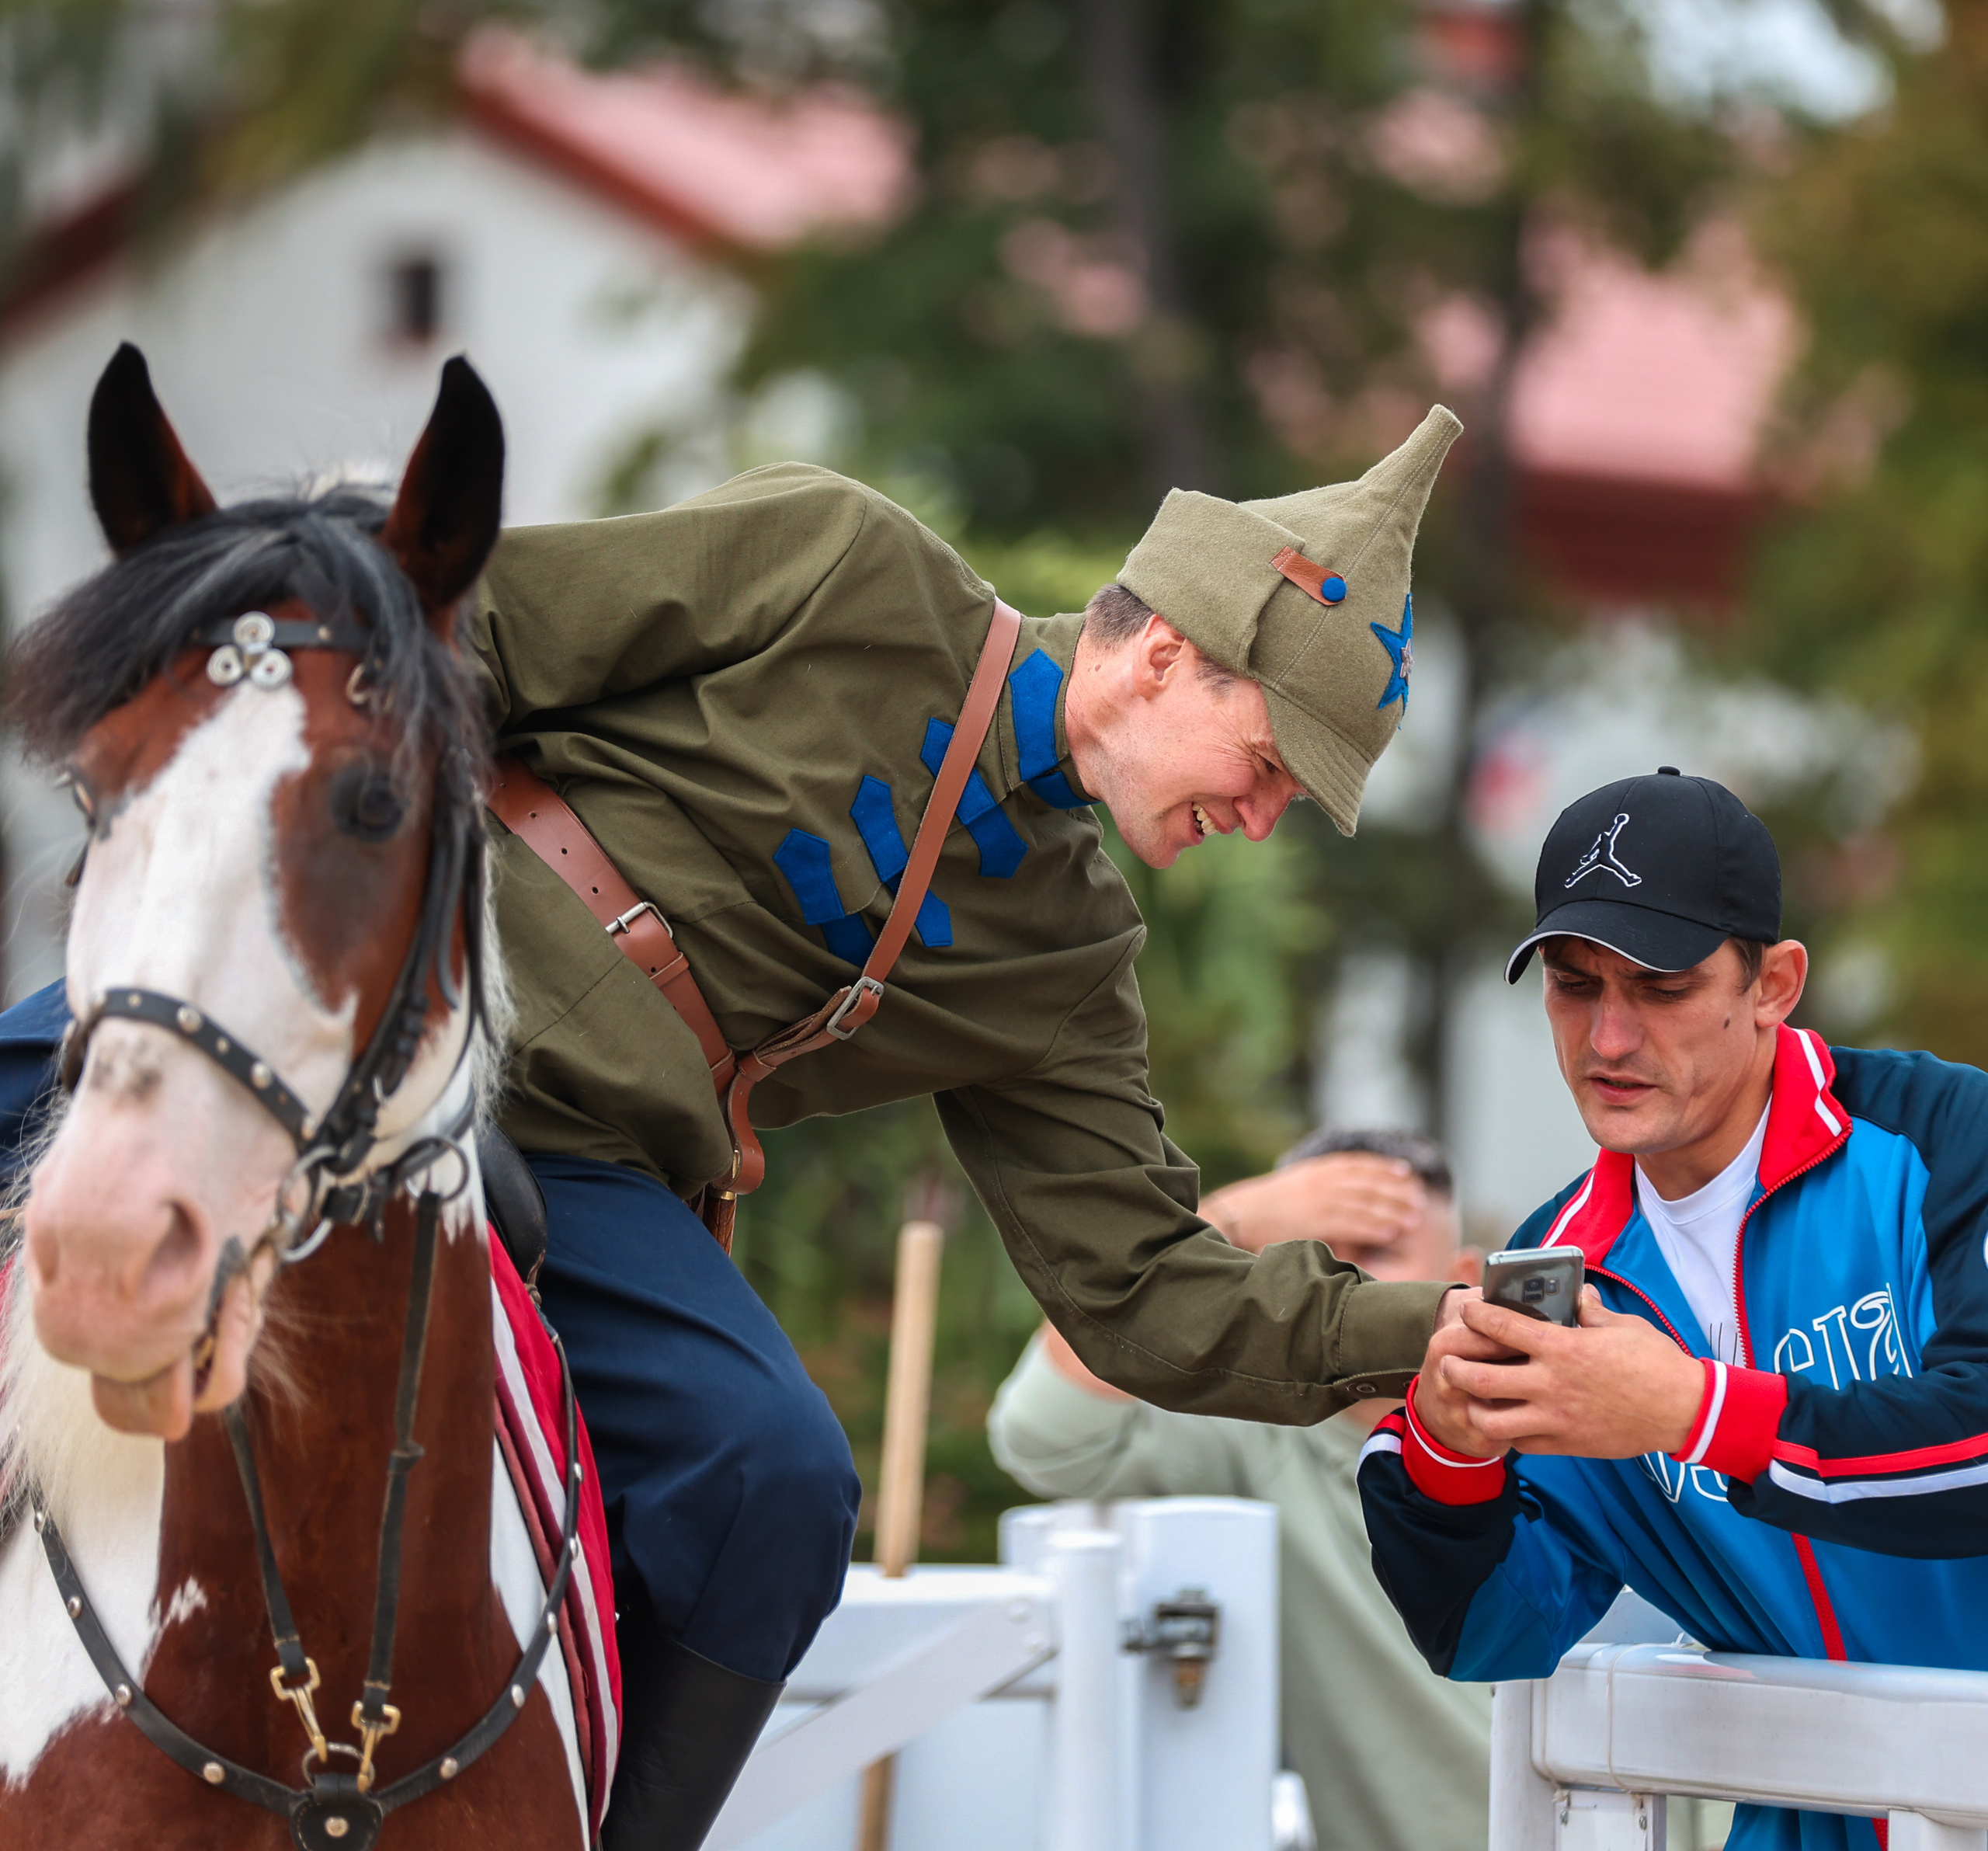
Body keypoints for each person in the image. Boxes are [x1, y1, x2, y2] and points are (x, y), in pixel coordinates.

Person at [1, 383, 1478, 1850]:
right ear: (1167, 654)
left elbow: (1145, 1298)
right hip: (351, 1001)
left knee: (774, 1476)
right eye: (1272, 762)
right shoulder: (843, 564)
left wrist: (1450, 1337)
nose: (1267, 814)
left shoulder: (1074, 961)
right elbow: (455, 632)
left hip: (572, 1166)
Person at [1357, 767, 1988, 1851]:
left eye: (1661, 989)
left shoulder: (1946, 1134)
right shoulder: (1557, 1274)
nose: (1607, 1041)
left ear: (1775, 983)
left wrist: (1698, 1413)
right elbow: (1488, 1629)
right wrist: (1447, 1451)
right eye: (1572, 984)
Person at [989, 1127, 1491, 1851]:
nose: (1341, 1288)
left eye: (1374, 1251)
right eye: (1313, 1259)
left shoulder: (1540, 1419)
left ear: (1461, 1273)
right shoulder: (1256, 1436)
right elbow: (1043, 1434)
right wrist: (1230, 1221)